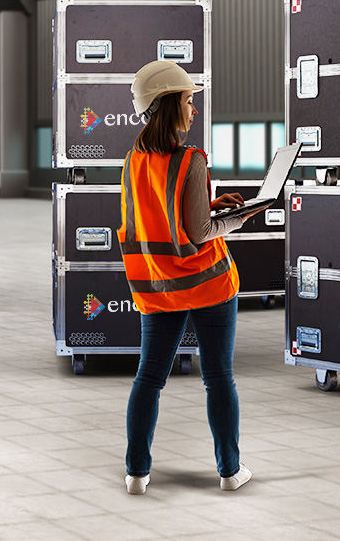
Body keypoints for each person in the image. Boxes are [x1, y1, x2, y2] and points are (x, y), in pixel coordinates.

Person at [118, 60, 261, 495]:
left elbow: (161, 216)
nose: (193, 108)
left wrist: (212, 203)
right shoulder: (192, 158)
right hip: (207, 283)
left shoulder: (134, 160)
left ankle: (137, 473)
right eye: (188, 99)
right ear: (167, 105)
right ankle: (230, 472)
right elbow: (198, 233)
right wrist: (240, 216)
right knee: (218, 377)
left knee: (149, 378)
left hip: (158, 286)